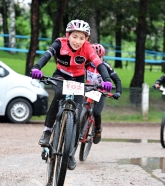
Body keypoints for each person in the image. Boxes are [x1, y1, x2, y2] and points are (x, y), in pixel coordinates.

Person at [31, 19, 113, 170]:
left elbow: (99, 64)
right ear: (68, 35)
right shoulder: (59, 43)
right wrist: (37, 67)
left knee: (78, 114)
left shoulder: (87, 48)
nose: (78, 41)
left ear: (86, 39)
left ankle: (70, 154)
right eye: (75, 36)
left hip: (78, 79)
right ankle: (47, 132)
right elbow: (46, 55)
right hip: (60, 75)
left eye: (82, 38)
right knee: (59, 96)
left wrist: (107, 79)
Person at [85, 43, 122, 144]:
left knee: (96, 112)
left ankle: (97, 130)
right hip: (87, 90)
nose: (96, 59)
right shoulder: (85, 64)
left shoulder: (106, 66)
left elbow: (117, 80)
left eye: (99, 57)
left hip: (100, 92)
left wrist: (118, 92)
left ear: (102, 56)